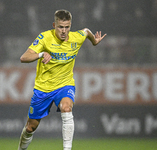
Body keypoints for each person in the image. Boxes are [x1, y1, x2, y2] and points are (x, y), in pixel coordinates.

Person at [18, 9, 106, 150]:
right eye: (60, 27)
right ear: (54, 25)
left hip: (64, 85)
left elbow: (86, 31)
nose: (64, 31)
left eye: (67, 27)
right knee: (30, 127)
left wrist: (94, 41)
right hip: (43, 88)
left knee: (66, 108)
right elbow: (24, 58)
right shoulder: (45, 38)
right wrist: (41, 54)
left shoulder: (76, 37)